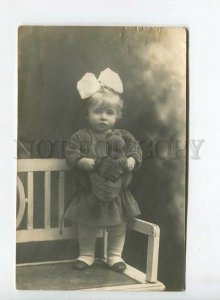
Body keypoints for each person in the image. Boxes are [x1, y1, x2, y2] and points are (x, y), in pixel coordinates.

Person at [64, 68, 142, 273]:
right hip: (90, 192)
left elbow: (135, 149)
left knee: (118, 224)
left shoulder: (123, 135)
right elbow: (71, 153)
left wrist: (133, 159)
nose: (103, 117)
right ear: (88, 113)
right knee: (87, 223)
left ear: (117, 115)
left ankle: (115, 255)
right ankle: (87, 254)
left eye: (109, 113)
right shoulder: (81, 136)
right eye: (97, 112)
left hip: (117, 194)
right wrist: (82, 161)